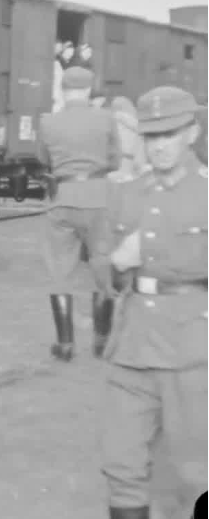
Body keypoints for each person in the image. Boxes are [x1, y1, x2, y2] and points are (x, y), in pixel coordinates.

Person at [99, 86, 208, 519]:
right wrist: (116, 265)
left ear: (192, 132)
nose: (159, 145)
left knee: (194, 473)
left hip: (191, 350)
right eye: (151, 136)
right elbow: (101, 271)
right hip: (131, 345)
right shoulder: (128, 192)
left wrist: (143, 249)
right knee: (121, 466)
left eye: (170, 134)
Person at [36, 66, 121, 361]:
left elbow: (42, 159)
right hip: (99, 198)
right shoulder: (106, 118)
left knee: (59, 271)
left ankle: (65, 344)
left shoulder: (48, 122)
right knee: (102, 267)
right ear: (88, 90)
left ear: (63, 90)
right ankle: (101, 340)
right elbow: (116, 160)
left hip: (63, 198)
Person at [109, 96, 148, 182]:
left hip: (119, 157)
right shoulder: (123, 116)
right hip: (128, 157)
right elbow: (141, 128)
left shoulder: (112, 119)